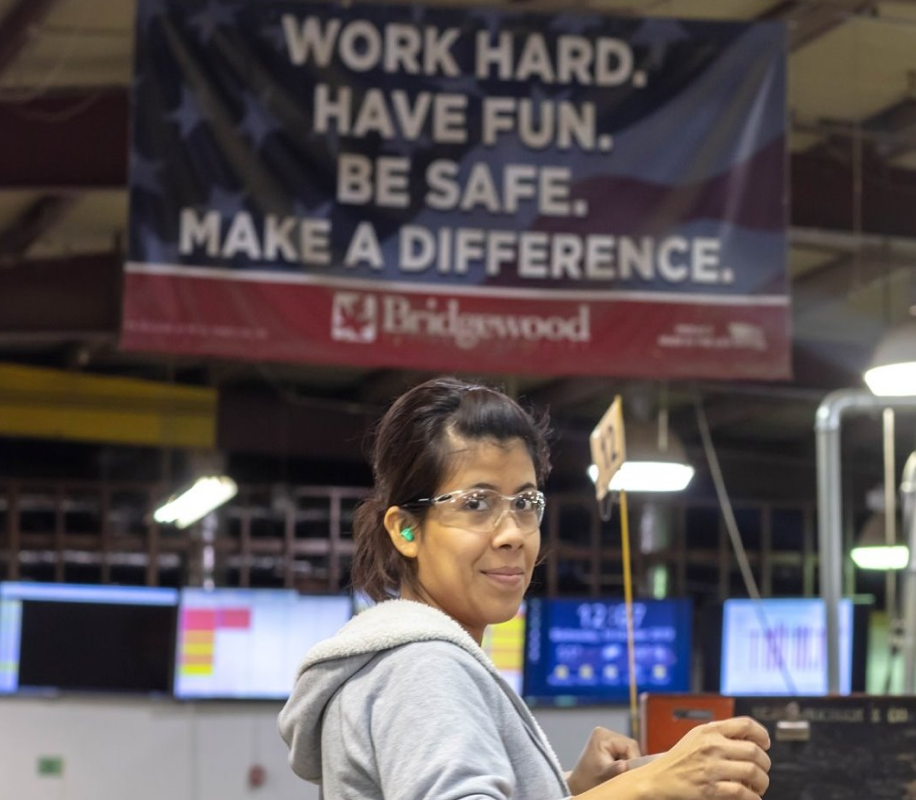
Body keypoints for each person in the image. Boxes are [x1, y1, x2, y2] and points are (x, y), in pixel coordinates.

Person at [279, 376, 771, 799]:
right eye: (476, 503)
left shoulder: (405, 661)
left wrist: (574, 786)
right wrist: (650, 784)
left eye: (525, 502)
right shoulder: (423, 666)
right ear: (406, 530)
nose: (513, 532)